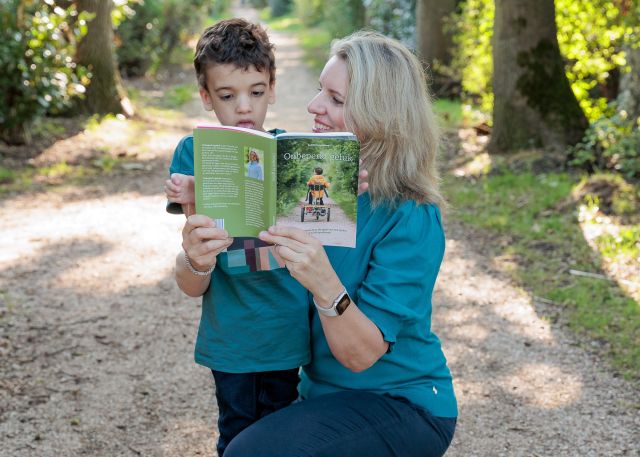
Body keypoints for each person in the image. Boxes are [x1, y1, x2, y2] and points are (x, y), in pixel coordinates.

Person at [224, 31, 458, 457]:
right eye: (319, 91)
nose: (314, 107)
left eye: (335, 98)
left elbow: (360, 355)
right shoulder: (311, 188)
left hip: (402, 402)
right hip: (321, 396)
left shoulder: (411, 215)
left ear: (380, 115)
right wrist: (198, 247)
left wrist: (324, 284)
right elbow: (243, 271)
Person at [164, 19, 308, 457]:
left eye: (257, 92)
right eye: (228, 96)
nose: (244, 108)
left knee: (283, 434)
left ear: (273, 88)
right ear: (207, 98)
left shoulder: (289, 151)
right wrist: (190, 192)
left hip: (287, 329)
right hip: (232, 334)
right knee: (238, 433)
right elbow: (191, 247)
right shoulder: (194, 151)